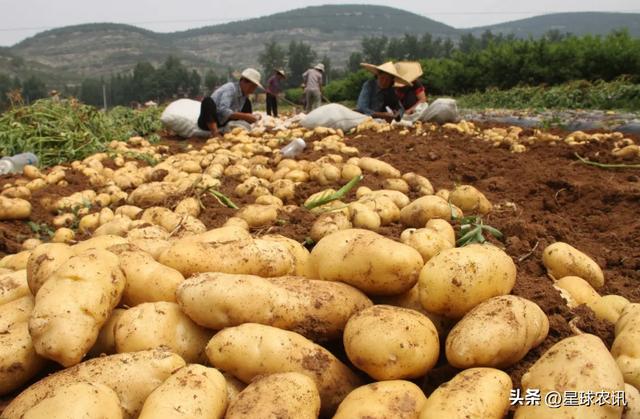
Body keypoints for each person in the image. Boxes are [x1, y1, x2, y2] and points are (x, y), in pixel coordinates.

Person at [197, 68, 263, 136]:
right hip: (210, 121)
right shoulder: (230, 89)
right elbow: (223, 110)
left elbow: (237, 113)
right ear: (243, 81)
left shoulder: (244, 96)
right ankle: (215, 132)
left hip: (224, 122)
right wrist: (245, 116)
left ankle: (246, 128)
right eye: (251, 86)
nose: (252, 90)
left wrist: (253, 117)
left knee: (247, 103)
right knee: (207, 101)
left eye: (254, 88)